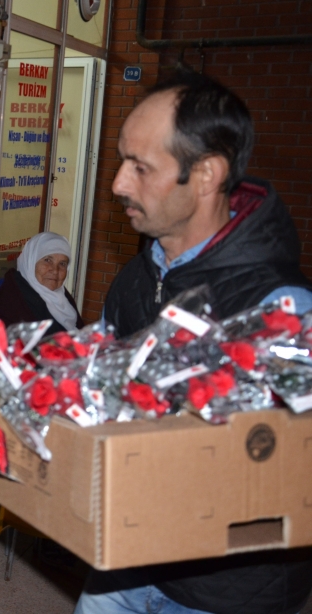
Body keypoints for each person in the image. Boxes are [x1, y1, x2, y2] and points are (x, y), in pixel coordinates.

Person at [76, 72, 312, 614]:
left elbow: (285, 474)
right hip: (128, 557)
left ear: (205, 174)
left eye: (141, 167)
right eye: (121, 160)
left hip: (227, 591)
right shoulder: (136, 280)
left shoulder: (282, 307)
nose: (117, 183)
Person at [0, 231, 83, 335]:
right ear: (30, 262)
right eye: (47, 260)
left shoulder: (62, 297)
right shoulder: (9, 303)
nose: (55, 270)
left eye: (62, 264)